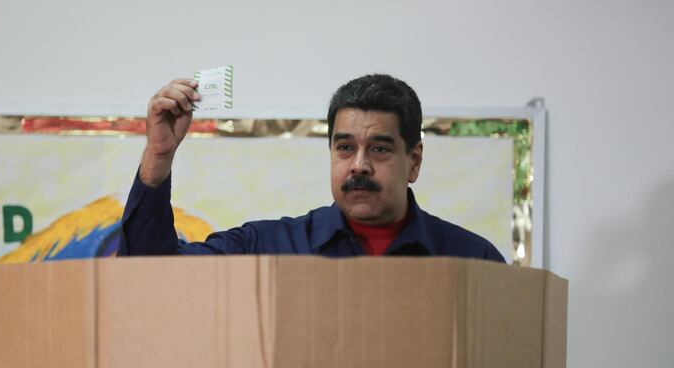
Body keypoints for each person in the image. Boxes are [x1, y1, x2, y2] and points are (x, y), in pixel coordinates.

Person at [118, 74, 505, 262]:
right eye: (345, 147)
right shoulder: (266, 249)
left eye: (380, 149)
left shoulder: (472, 260)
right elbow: (153, 277)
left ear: (414, 161)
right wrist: (159, 155)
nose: (360, 165)